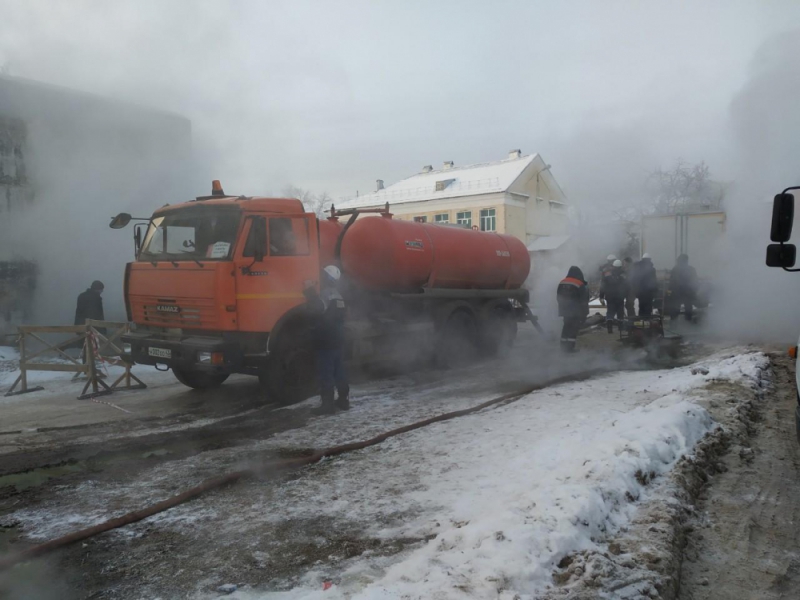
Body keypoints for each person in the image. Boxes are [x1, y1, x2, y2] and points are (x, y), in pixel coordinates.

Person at [304, 265, 349, 414]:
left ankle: (327, 405)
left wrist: (309, 291)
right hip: (338, 340)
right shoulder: (338, 296)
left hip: (326, 341)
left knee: (326, 373)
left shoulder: (324, 295)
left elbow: (315, 309)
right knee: (339, 372)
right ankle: (344, 400)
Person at [556, 266, 590, 352]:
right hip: (575, 311)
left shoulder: (562, 282)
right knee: (573, 329)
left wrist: (562, 307)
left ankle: (563, 347)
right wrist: (584, 313)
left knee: (566, 327)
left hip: (564, 310)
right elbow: (583, 300)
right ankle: (570, 348)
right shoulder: (579, 284)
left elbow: (558, 297)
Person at [600, 260, 628, 334]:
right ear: (620, 266)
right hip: (620, 296)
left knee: (610, 312)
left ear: (613, 266)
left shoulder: (607, 274)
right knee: (620, 312)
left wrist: (601, 296)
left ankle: (609, 327)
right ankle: (620, 327)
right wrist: (626, 294)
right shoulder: (623, 275)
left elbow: (603, 286)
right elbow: (626, 286)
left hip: (610, 296)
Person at [668, 254, 698, 322]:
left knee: (675, 307)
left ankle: (673, 323)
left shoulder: (675, 269)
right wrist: (694, 291)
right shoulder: (691, 269)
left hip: (677, 292)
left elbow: (672, 281)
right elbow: (695, 281)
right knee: (688, 307)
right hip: (688, 292)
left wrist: (670, 290)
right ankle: (688, 322)